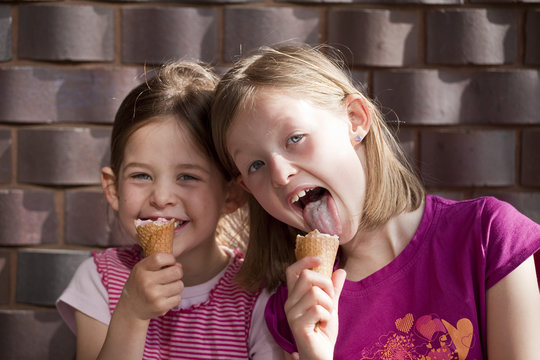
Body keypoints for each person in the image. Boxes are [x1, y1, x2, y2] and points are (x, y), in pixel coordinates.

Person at [210, 44, 540, 360]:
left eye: (294, 138)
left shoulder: (487, 237)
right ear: (247, 188)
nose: (279, 174)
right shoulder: (293, 309)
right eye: (255, 165)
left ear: (356, 119)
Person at [56, 61, 283, 360]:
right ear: (113, 189)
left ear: (231, 195)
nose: (161, 197)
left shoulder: (258, 295)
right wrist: (131, 315)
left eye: (187, 177)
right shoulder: (100, 279)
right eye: (141, 175)